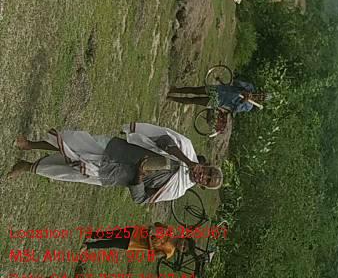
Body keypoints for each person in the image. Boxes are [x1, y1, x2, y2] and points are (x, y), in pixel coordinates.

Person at [8, 124, 222, 203]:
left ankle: (26, 167)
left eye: (207, 180)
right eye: (208, 172)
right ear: (207, 165)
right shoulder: (186, 148)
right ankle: (30, 144)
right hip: (116, 149)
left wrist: (139, 176)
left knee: (67, 170)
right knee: (75, 143)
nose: (204, 176)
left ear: (203, 186)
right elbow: (163, 140)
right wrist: (187, 161)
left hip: (111, 174)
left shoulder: (177, 190)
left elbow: (141, 198)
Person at [168, 80, 269, 114]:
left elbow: (235, 110)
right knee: (195, 90)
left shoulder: (249, 106)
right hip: (219, 90)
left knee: (194, 100)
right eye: (261, 94)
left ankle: (172, 98)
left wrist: (243, 101)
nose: (260, 96)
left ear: (260, 101)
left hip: (218, 101)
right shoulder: (250, 87)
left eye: (262, 98)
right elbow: (236, 82)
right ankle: (175, 90)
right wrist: (244, 90)